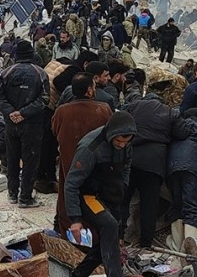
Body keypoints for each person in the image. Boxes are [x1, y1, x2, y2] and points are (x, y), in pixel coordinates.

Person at [65, 111, 136, 277]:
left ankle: (79, 274)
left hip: (111, 194)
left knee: (110, 237)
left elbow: (127, 166)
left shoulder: (127, 143)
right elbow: (71, 184)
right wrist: (75, 218)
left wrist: (122, 186)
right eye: (118, 141)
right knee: (109, 225)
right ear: (111, 134)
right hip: (89, 196)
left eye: (126, 142)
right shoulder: (89, 148)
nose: (122, 145)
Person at [123, 93, 191, 247]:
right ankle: (146, 242)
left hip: (131, 158)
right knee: (149, 204)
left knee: (123, 200)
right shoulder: (169, 112)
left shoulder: (134, 106)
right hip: (154, 162)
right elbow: (183, 132)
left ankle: (118, 236)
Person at [51, 73, 112, 235]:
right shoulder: (103, 109)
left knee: (66, 195)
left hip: (68, 163)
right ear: (90, 91)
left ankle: (67, 233)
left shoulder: (61, 111)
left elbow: (55, 131)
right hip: (97, 167)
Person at [0, 40, 50, 208]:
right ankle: (25, 197)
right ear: (32, 54)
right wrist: (24, 113)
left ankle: (12, 193)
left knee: (12, 159)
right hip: (32, 124)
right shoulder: (40, 73)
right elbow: (44, 99)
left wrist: (11, 112)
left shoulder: (6, 72)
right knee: (30, 160)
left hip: (11, 124)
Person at [166, 109, 197, 251]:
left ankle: (177, 247)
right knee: (193, 207)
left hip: (171, 168)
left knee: (177, 205)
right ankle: (190, 250)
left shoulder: (178, 128)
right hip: (191, 169)